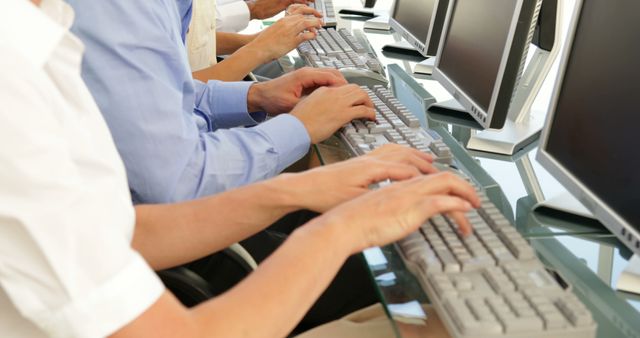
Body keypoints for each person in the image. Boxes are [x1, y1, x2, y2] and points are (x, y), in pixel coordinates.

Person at [0, 1, 480, 337]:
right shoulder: (14, 79)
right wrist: (341, 228)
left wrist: (304, 189)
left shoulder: (35, 38)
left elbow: (119, 228)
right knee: (442, 320)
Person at [67, 0, 370, 204]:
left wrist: (255, 96)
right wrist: (299, 127)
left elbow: (166, 90)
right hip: (150, 230)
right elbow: (179, 180)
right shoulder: (121, 9)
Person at [188, 1, 322, 81]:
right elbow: (183, 92)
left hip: (207, 81)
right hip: (197, 102)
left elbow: (194, 38)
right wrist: (260, 48)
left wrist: (257, 41)